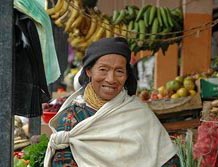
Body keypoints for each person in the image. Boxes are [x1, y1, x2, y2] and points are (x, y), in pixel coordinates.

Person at [44, 37, 178, 167]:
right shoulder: (71, 118)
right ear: (89, 71)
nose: (111, 79)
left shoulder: (140, 114)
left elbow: (168, 160)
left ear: (126, 75)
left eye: (119, 71)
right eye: (103, 69)